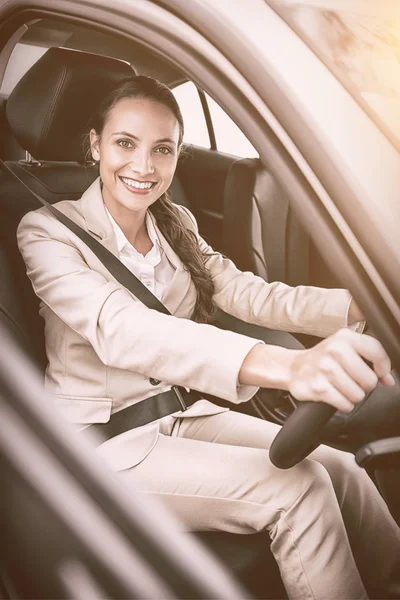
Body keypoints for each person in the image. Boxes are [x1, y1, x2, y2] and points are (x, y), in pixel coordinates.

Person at [17, 75, 400, 600]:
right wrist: (290, 366)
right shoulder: (46, 231)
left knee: (340, 468)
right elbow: (123, 329)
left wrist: (362, 305)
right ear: (95, 144)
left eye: (163, 149)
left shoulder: (174, 223)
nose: (143, 167)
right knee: (299, 491)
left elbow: (249, 294)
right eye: (125, 143)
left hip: (182, 415)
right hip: (103, 443)